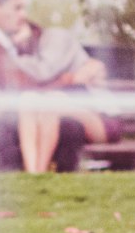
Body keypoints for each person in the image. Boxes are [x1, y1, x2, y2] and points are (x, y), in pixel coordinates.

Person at [0, 0, 97, 172]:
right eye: (17, 8)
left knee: (68, 125)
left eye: (24, 8)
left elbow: (21, 77)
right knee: (69, 127)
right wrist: (70, 79)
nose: (23, 15)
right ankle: (44, 179)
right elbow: (18, 85)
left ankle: (48, 181)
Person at [13, 20, 122, 173]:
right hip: (68, 110)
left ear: (31, 25)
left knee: (51, 101)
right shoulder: (27, 55)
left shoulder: (54, 38)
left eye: (17, 31)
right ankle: (33, 173)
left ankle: (40, 171)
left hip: (101, 117)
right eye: (10, 35)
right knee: (28, 100)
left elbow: (46, 72)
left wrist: (72, 78)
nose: (15, 38)